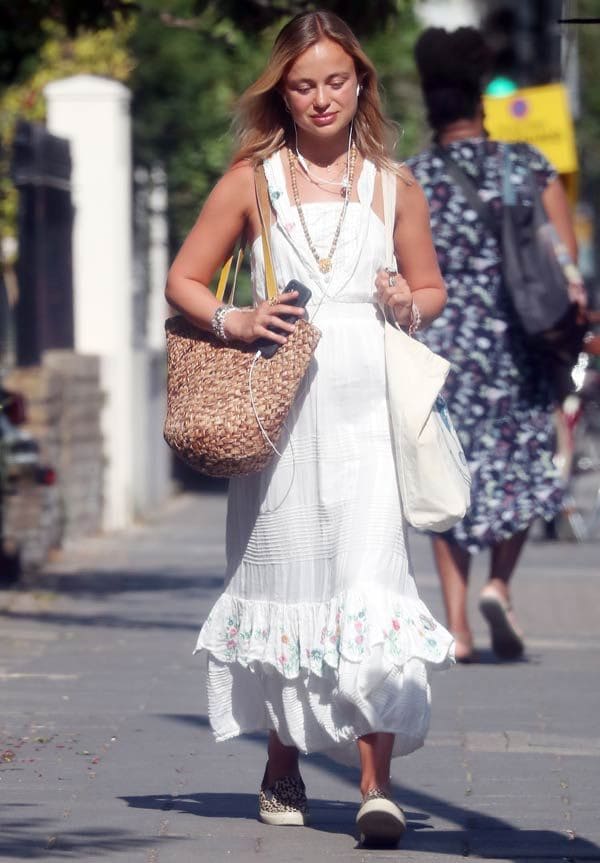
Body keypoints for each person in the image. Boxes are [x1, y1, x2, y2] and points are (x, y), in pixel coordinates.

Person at [166, 10, 454, 845]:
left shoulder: (394, 184)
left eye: (336, 80)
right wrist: (235, 318)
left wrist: (408, 301)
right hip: (281, 413)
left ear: (360, 81)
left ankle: (374, 783)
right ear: (281, 94)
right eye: (303, 85)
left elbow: (430, 288)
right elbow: (184, 277)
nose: (322, 98)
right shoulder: (252, 180)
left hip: (366, 415)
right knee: (291, 577)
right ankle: (283, 757)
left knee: (371, 582)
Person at [407, 27, 586, 663]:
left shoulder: (411, 179)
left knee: (446, 477)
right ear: (482, 99)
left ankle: (456, 626)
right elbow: (565, 262)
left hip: (442, 348)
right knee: (520, 468)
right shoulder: (526, 166)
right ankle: (500, 584)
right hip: (518, 343)